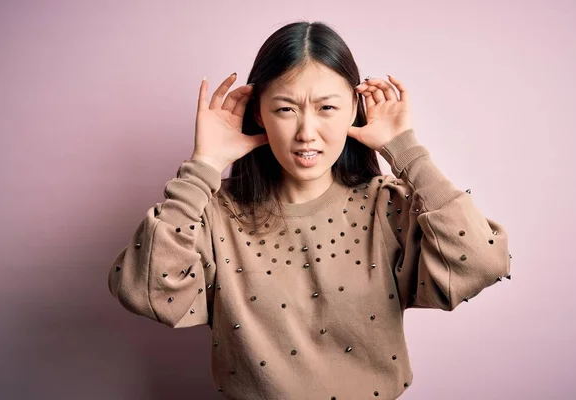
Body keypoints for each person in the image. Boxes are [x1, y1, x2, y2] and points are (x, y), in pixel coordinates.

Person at [107, 20, 512, 400]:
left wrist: (405, 150)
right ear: (258, 113)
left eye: (327, 108)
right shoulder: (215, 214)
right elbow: (146, 293)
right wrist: (204, 166)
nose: (306, 132)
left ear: (355, 108)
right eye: (285, 109)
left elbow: (481, 261)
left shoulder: (388, 205)